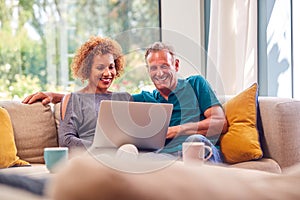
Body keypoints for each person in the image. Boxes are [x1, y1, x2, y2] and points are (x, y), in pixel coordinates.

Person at [23, 42, 227, 163]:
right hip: (164, 159)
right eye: (153, 68)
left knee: (195, 143)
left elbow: (220, 123)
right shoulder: (141, 100)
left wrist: (177, 130)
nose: (159, 73)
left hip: (200, 150)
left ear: (176, 65)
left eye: (165, 66)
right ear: (148, 71)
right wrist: (58, 96)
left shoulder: (196, 84)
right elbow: (100, 96)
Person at [48, 36, 132, 151]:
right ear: (87, 69)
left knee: (130, 149)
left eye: (111, 67)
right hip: (92, 155)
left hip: (125, 152)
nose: (107, 73)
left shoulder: (124, 98)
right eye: (100, 68)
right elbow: (66, 141)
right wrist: (101, 148)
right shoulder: (74, 99)